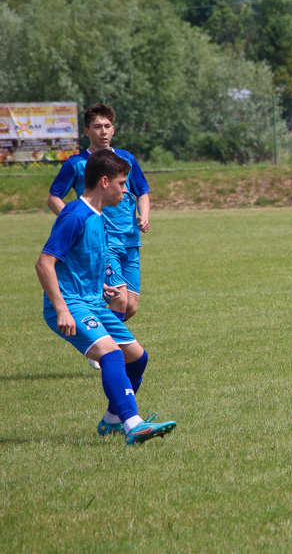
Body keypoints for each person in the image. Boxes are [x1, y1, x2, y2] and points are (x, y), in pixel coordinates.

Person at [36, 149, 176, 444]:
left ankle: (112, 420)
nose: (126, 191)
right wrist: (61, 309)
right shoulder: (74, 215)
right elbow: (44, 264)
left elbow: (80, 263)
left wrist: (103, 289)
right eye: (122, 183)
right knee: (111, 354)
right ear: (104, 182)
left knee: (137, 358)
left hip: (93, 301)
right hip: (71, 303)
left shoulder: (98, 217)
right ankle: (132, 424)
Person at [47, 104, 150, 368]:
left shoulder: (125, 159)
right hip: (102, 243)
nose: (103, 132)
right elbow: (53, 196)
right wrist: (74, 219)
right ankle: (101, 346)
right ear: (86, 131)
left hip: (130, 240)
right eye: (97, 126)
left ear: (113, 129)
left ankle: (100, 339)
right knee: (120, 297)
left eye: (107, 126)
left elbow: (143, 191)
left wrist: (144, 215)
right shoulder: (78, 163)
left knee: (131, 306)